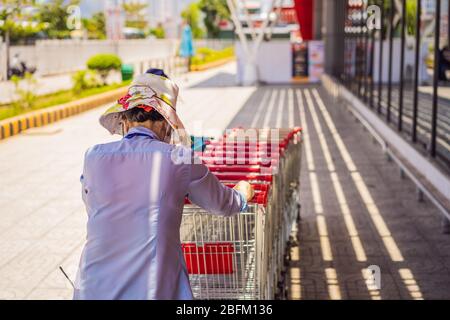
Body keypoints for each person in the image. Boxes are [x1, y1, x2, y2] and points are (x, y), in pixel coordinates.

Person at [73, 69, 254, 300]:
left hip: (92, 287)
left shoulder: (93, 156)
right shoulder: (179, 159)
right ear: (167, 124)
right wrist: (242, 192)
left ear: (124, 119)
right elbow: (223, 204)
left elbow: (95, 208)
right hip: (152, 290)